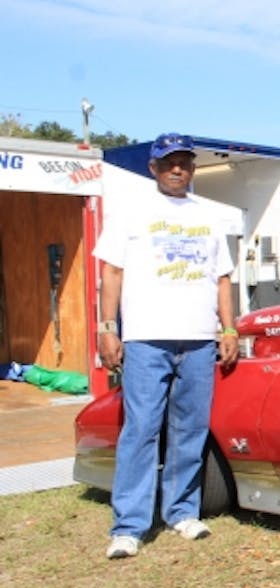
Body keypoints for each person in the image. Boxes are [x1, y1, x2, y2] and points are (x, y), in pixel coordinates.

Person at [94, 133, 240, 559]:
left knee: (190, 428)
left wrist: (228, 330)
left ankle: (181, 511)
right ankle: (129, 526)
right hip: (146, 338)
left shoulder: (211, 217)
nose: (178, 169)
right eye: (169, 162)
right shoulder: (130, 213)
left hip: (197, 339)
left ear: (192, 169)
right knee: (140, 429)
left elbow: (223, 278)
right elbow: (112, 273)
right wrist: (108, 328)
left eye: (185, 163)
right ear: (153, 168)